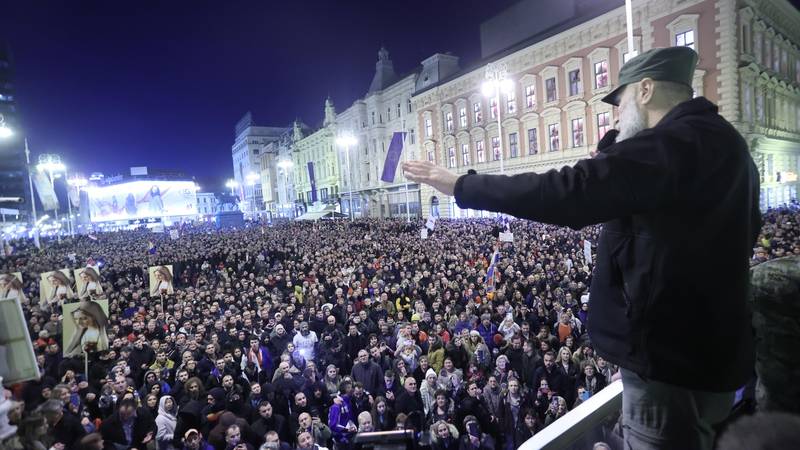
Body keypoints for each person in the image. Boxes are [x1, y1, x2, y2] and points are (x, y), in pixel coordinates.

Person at [404, 45, 761, 450]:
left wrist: (461, 185)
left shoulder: (670, 145)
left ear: (645, 90)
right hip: (708, 358)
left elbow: (568, 192)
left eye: (621, 100)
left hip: (669, 365)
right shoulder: (728, 144)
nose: (616, 114)